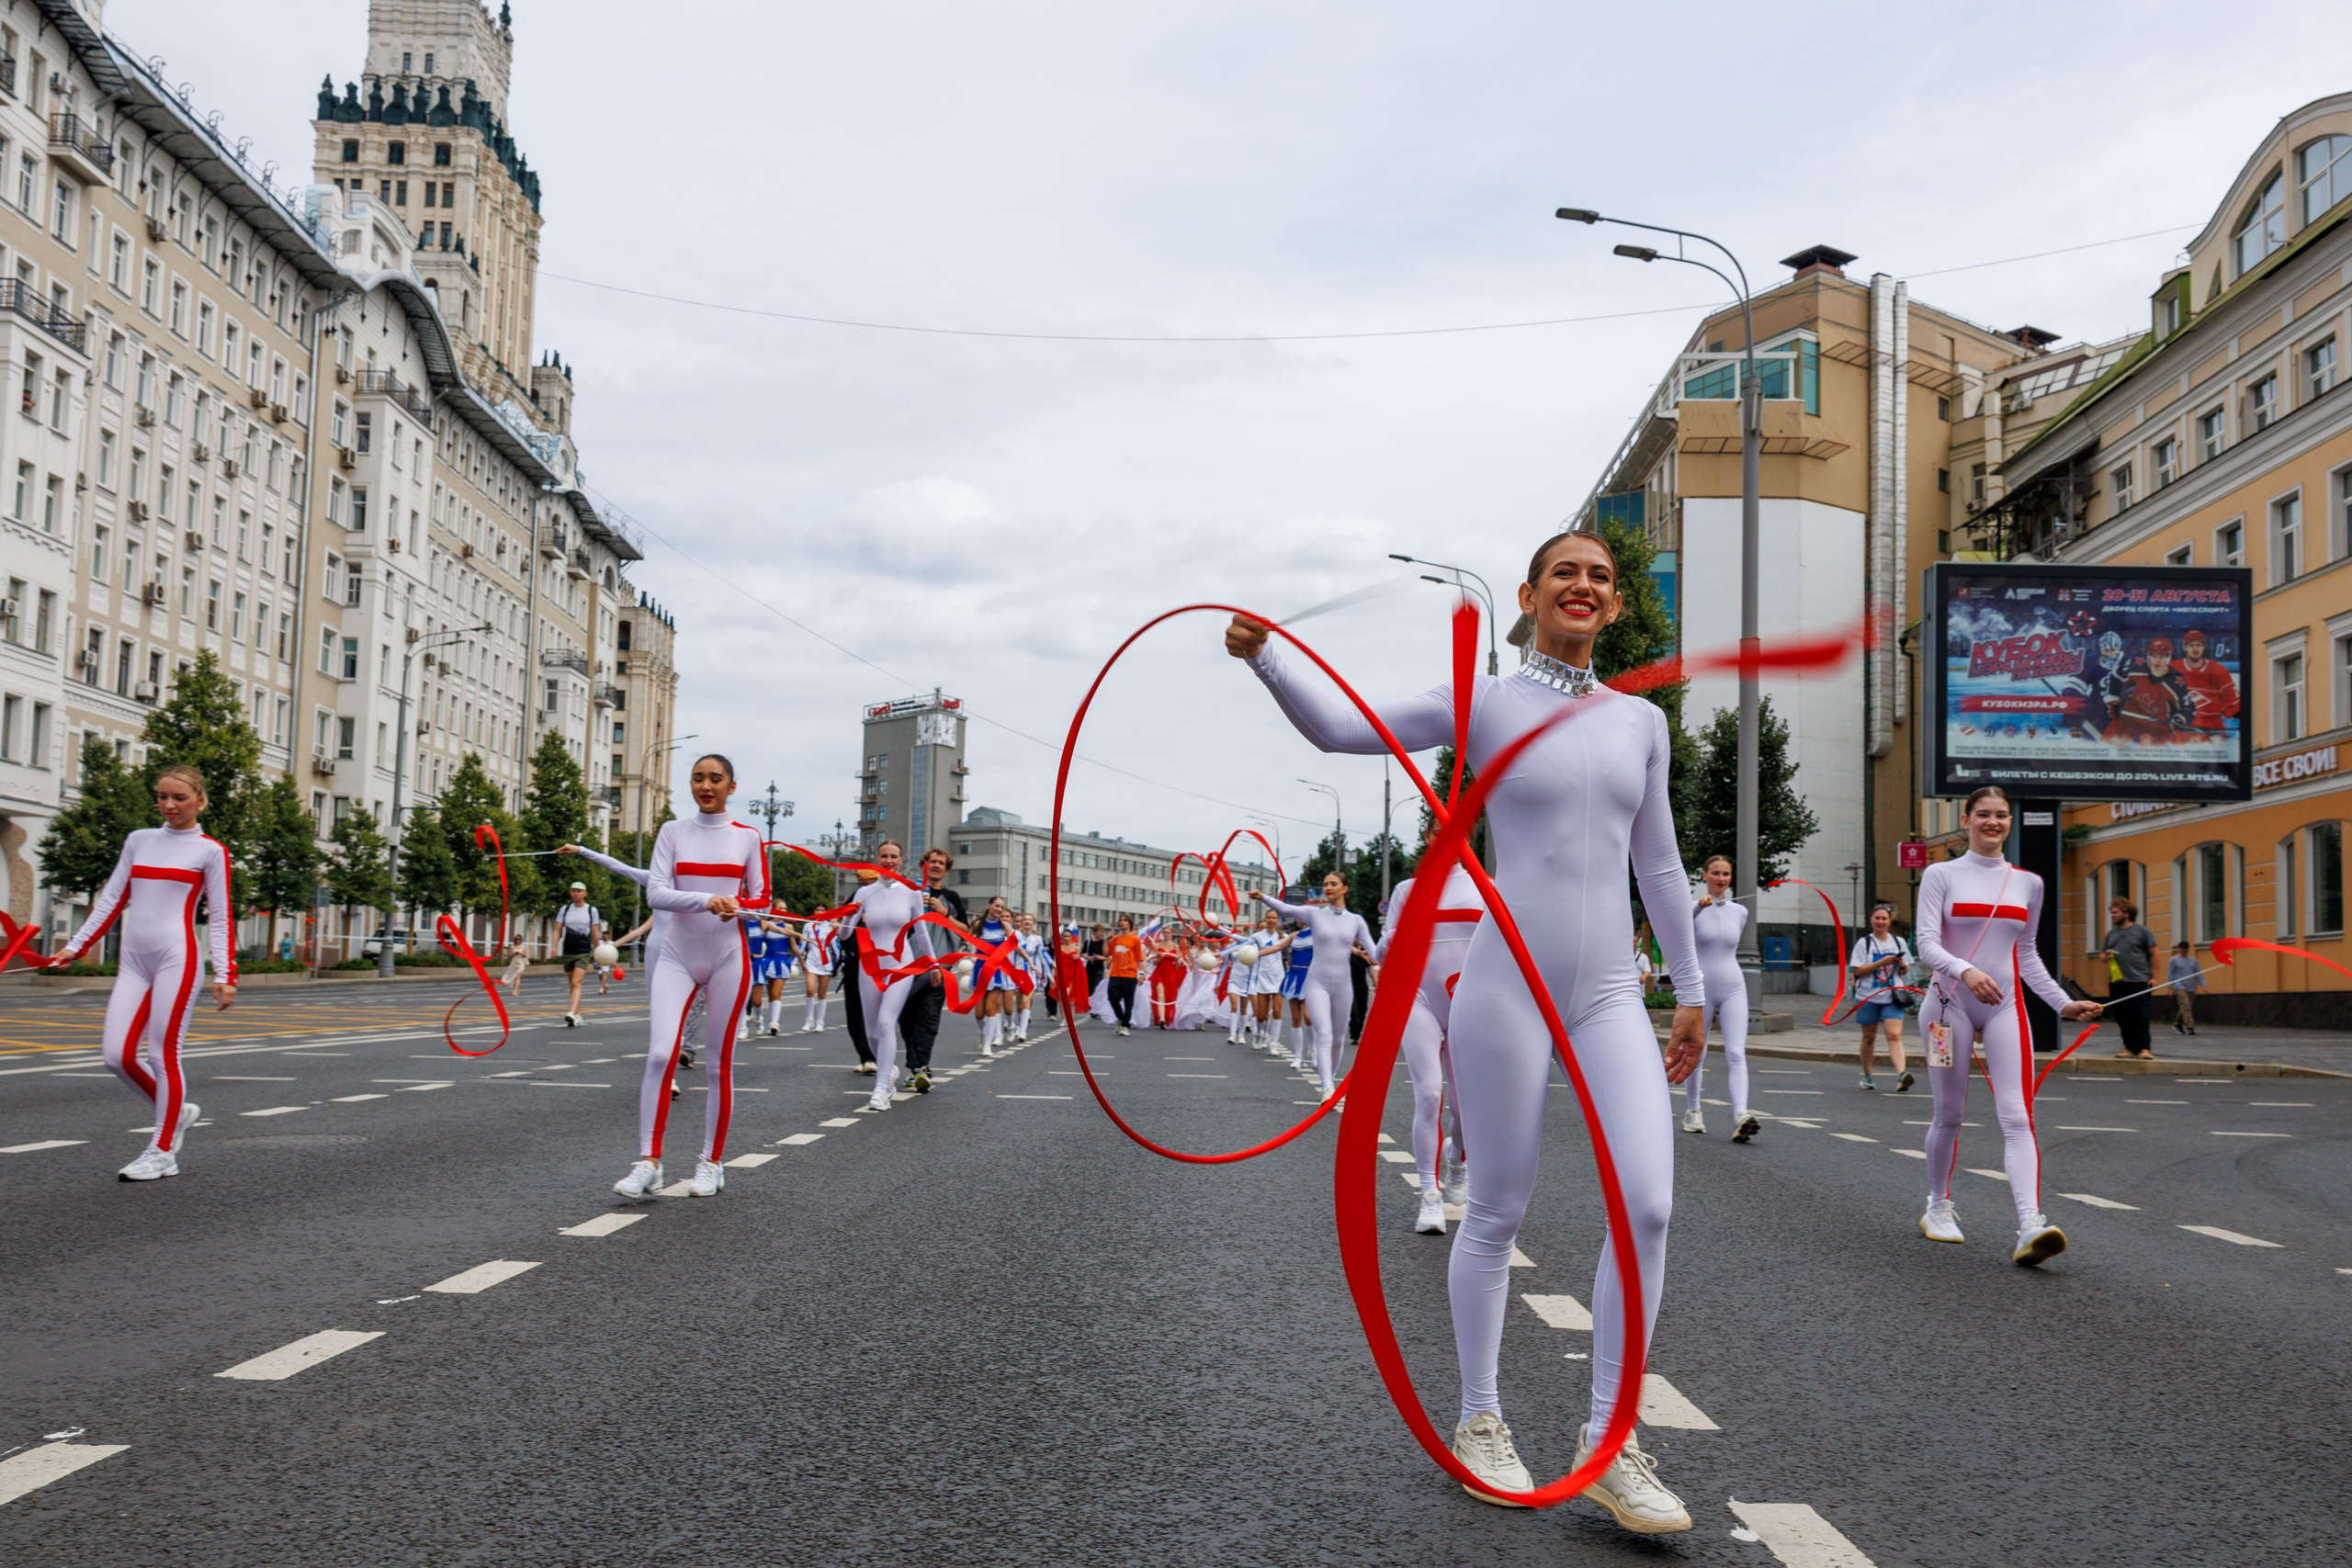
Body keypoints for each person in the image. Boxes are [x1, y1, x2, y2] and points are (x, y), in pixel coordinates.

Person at [1230, 526, 1706, 1533]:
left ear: (1614, 608)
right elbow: (1336, 729)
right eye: (1564, 573)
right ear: (1529, 596)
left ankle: (1608, 1441)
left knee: (1648, 1207)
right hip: (1506, 985)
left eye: (1601, 578)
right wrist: (1267, 653)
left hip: (1612, 989)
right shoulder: (1483, 701)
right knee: (1497, 1206)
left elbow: (1660, 866)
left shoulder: (1639, 724)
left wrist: (1695, 987)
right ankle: (1480, 1419)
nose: (1584, 586)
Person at [1914, 785, 2102, 1262]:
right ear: (1966, 819)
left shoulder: (2028, 883)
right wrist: (1966, 971)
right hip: (1946, 1004)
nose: (1992, 823)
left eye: (2000, 815)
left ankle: (2029, 1225)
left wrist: (2063, 1004)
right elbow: (1927, 946)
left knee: (2017, 1115)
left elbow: (2027, 955)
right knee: (1951, 1113)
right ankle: (1937, 1206)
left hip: (2004, 1007)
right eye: (1983, 815)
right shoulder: (1940, 873)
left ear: (2010, 822)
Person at [52, 764, 234, 1182]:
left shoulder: (210, 851)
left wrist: (226, 973)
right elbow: (112, 898)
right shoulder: (139, 841)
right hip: (134, 961)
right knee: (116, 1056)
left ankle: (163, 1150)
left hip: (177, 957)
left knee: (160, 1053)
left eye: (179, 798)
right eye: (162, 797)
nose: (168, 805)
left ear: (200, 801)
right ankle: (178, 1111)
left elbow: (221, 918)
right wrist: (74, 947)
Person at [612, 755, 769, 1200]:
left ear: (731, 787)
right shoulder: (672, 832)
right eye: (698, 778)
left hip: (728, 955)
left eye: (715, 779)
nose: (706, 785)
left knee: (719, 1065)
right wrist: (708, 900)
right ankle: (649, 1161)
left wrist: (741, 905)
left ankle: (711, 1162)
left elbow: (763, 898)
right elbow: (657, 891)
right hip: (678, 954)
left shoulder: (748, 838)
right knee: (661, 1054)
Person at [1373, 838, 1479, 1235]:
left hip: (1469, 999)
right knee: (1430, 1094)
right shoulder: (1407, 890)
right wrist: (1401, 929)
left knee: (1464, 1109)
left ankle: (1458, 1162)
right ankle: (1429, 1195)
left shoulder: (1487, 885)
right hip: (1418, 997)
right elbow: (1384, 952)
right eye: (1437, 830)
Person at [1255, 874, 1375, 1100]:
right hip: (1316, 982)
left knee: (1338, 1038)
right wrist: (1263, 897)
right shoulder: (1314, 914)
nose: (1328, 888)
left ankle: (1331, 1076)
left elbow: (1376, 952)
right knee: (1324, 1033)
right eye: (1325, 884)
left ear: (1344, 889)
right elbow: (1284, 907)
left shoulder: (1356, 920)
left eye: (1333, 884)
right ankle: (1326, 1086)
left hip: (1343, 985)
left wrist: (1389, 950)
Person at [840, 840, 926, 1111]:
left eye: (894, 856)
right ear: (876, 859)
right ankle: (887, 1074)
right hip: (871, 965)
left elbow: (921, 932)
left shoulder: (912, 893)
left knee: (887, 1022)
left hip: (901, 964)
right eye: (884, 856)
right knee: (872, 1032)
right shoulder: (864, 893)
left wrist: (933, 965)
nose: (889, 860)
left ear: (901, 860)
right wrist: (849, 916)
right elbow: (844, 935)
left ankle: (880, 1089)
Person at [1684, 856, 1757, 1141]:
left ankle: (1741, 1114)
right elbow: (1680, 934)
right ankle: (1693, 1111)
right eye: (1715, 873)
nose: (1721, 878)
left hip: (1733, 987)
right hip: (1699, 988)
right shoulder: (1691, 908)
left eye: (1726, 873)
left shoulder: (1740, 911)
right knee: (1696, 1052)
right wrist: (1697, 910)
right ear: (1704, 875)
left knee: (1736, 1052)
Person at [896, 847, 968, 1091]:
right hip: (908, 967)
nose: (936, 865)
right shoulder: (909, 893)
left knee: (928, 1016)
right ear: (923, 865)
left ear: (946, 870)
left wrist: (944, 913)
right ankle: (914, 1066)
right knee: (906, 1018)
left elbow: (965, 931)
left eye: (941, 863)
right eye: (931, 861)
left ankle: (920, 1068)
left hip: (939, 969)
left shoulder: (952, 898)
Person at [1849, 903, 1915, 1092]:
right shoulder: (1864, 943)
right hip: (1867, 996)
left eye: (1884, 918)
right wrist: (1880, 963)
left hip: (1893, 996)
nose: (1880, 922)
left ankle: (1901, 1075)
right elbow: (1858, 971)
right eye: (1877, 918)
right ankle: (1867, 1075)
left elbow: (1904, 970)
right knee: (1869, 1037)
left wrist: (1900, 963)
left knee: (1894, 1035)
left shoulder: (1898, 942)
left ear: (1889, 921)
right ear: (1871, 920)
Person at [2102, 897, 2156, 1058]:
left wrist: (2155, 977)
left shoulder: (2142, 932)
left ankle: (2144, 1049)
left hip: (2139, 980)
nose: (2112, 915)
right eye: (2112, 913)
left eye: (2115, 912)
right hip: (2117, 981)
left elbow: (2154, 954)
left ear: (2126, 913)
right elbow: (2102, 956)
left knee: (2140, 1016)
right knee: (2122, 1016)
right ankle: (2129, 1048)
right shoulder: (2111, 934)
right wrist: (2106, 956)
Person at [969, 896, 1022, 1056]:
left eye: (1002, 906)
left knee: (991, 1008)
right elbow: (968, 941)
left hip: (997, 971)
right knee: (979, 1013)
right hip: (980, 970)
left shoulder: (1004, 926)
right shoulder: (978, 924)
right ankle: (984, 1034)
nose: (999, 909)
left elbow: (1016, 946)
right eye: (997, 906)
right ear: (989, 906)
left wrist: (1029, 962)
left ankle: (987, 1045)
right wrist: (969, 956)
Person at [554, 881, 605, 1027]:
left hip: (583, 951)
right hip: (568, 950)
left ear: (585, 894)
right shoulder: (565, 909)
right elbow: (557, 929)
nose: (575, 893)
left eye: (578, 891)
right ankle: (577, 1015)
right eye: (573, 891)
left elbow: (595, 932)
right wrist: (553, 946)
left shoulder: (591, 910)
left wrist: (598, 951)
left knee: (576, 982)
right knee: (572, 984)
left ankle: (571, 1012)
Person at [2175, 629, 2239, 734]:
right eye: (2191, 645)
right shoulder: (2174, 669)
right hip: (2184, 729)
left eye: (2198, 645)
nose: (2195, 649)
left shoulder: (2219, 670)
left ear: (2204, 646)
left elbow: (2230, 703)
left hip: (2213, 729)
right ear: (2184, 647)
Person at [1247, 908, 1294, 1045]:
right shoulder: (1258, 936)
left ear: (1277, 920)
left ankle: (1273, 1043)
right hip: (1263, 977)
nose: (1271, 920)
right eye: (1269, 917)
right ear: (1265, 919)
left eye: (1274, 918)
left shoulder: (1284, 937)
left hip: (1278, 976)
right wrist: (1221, 954)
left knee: (1277, 1011)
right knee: (1261, 1015)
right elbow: (1242, 943)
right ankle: (1259, 1034)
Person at [1103, 913, 1145, 1036]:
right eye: (1121, 920)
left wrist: (1141, 974)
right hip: (1115, 973)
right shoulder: (1115, 939)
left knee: (1128, 1001)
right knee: (1112, 996)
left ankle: (1125, 1026)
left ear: (1130, 924)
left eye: (1125, 920)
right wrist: (1106, 939)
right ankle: (1121, 1018)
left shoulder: (1135, 939)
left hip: (1130, 974)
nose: (1122, 922)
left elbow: (1139, 958)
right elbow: (1107, 953)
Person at [1280, 916, 1314, 1059]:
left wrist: (1359, 952)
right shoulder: (1294, 936)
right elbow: (1276, 947)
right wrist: (1257, 954)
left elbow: (1339, 944)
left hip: (1311, 977)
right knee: (1295, 1018)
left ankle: (1313, 1049)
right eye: (1300, 918)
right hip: (1294, 976)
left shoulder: (1319, 934)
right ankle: (1298, 1056)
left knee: (1309, 1017)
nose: (1303, 920)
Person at [798, 914, 837, 1032]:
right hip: (811, 962)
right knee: (810, 991)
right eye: (817, 910)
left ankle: (820, 1021)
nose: (819, 912)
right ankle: (809, 1020)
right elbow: (803, 944)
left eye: (822, 910)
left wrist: (839, 963)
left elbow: (835, 946)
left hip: (825, 963)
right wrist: (795, 960)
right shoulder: (808, 926)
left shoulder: (830, 927)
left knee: (822, 993)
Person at [2165, 941, 2202, 1035]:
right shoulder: (2174, 960)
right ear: (2179, 949)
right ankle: (2190, 1026)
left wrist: (2203, 985)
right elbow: (2171, 974)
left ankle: (2177, 1023)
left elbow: (2198, 973)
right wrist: (2170, 987)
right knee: (2186, 1005)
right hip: (2179, 985)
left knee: (2187, 1006)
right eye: (2182, 949)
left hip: (2191, 986)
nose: (2184, 951)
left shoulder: (2193, 960)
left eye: (2186, 949)